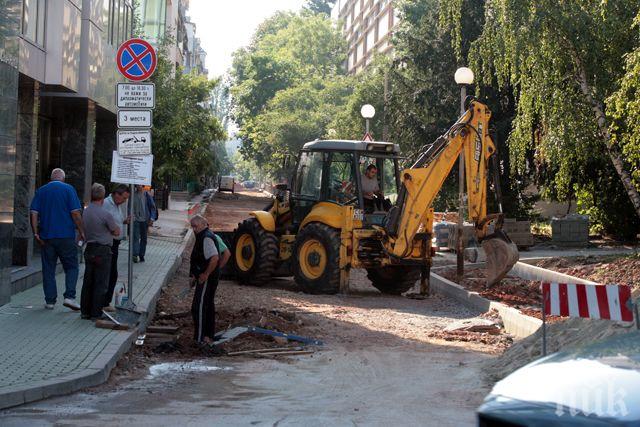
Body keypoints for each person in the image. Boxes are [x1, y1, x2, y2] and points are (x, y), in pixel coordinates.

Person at [30, 168, 85, 310]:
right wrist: (82, 231)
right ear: (63, 178)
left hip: (46, 236)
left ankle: (50, 301)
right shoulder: (68, 189)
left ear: (51, 178)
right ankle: (69, 297)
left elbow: (34, 213)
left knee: (48, 269)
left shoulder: (41, 190)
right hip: (65, 236)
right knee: (72, 267)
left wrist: (36, 233)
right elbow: (75, 213)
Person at [189, 215, 231, 345]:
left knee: (199, 307)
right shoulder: (204, 236)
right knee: (206, 305)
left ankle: (201, 338)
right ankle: (207, 335)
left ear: (203, 224)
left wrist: (206, 274)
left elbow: (214, 258)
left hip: (207, 278)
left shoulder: (206, 237)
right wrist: (195, 275)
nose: (194, 229)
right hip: (205, 277)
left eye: (195, 226)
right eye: (192, 227)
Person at [80, 184, 120, 320]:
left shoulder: (85, 211)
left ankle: (85, 311)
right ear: (103, 196)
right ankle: (96, 313)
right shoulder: (105, 214)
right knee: (101, 282)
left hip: (89, 248)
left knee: (88, 281)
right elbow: (116, 231)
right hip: (103, 250)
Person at [102, 184, 131, 310]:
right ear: (116, 194)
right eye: (124, 198)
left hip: (115, 243)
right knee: (110, 273)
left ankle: (106, 301)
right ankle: (104, 302)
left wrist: (124, 222)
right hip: (109, 243)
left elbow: (116, 221)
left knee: (112, 273)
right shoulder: (107, 204)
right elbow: (105, 223)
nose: (124, 201)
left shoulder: (117, 205)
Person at [132, 185, 158, 263]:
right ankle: (135, 254)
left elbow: (153, 207)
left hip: (145, 220)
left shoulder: (147, 195)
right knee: (135, 237)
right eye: (137, 184)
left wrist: (152, 218)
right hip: (135, 220)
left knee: (144, 238)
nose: (139, 186)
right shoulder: (132, 194)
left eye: (140, 184)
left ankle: (141, 254)